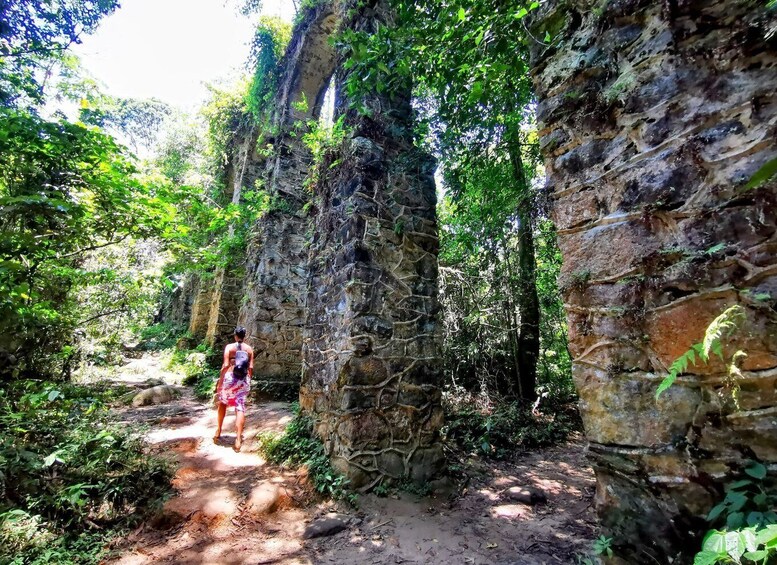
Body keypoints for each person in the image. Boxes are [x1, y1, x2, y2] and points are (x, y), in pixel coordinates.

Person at [213, 326, 254, 452]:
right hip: (243, 380)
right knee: (240, 407)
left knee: (223, 403)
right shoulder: (249, 349)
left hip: (230, 378)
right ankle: (237, 438)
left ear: (235, 335)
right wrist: (247, 380)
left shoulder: (229, 347)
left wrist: (220, 382)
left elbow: (225, 365)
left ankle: (219, 430)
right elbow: (250, 368)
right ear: (244, 336)